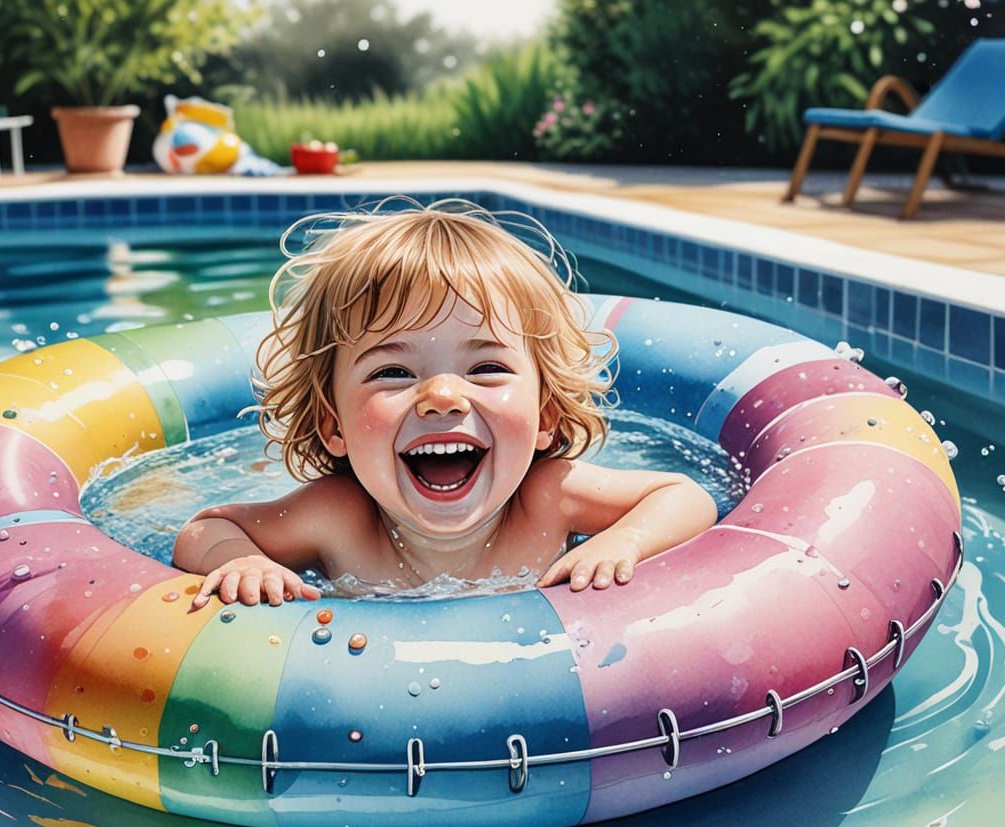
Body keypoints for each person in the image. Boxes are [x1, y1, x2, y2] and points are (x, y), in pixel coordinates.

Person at [173, 199, 717, 607]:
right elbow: (204, 529)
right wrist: (241, 561)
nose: (442, 397)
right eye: (393, 372)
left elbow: (683, 496)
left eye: (486, 369)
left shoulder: (548, 498)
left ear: (546, 416)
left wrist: (623, 541)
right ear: (333, 424)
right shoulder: (338, 517)